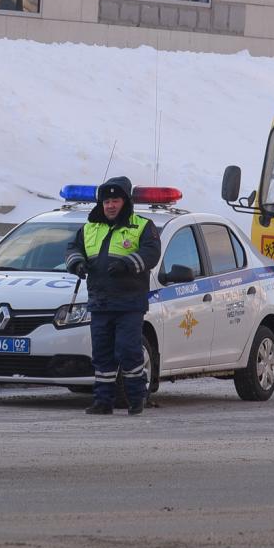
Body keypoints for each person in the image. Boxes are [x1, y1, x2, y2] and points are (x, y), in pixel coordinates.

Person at [65, 176, 162, 416]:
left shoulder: (142, 225)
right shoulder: (89, 228)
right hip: (100, 302)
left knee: (129, 351)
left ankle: (136, 399)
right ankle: (103, 402)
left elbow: (152, 252)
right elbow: (72, 249)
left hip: (129, 303)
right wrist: (76, 264)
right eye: (106, 201)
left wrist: (128, 264)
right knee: (102, 355)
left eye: (115, 200)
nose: (110, 205)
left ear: (125, 201)